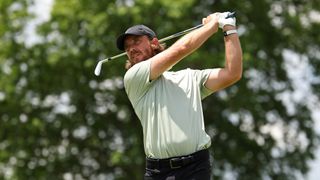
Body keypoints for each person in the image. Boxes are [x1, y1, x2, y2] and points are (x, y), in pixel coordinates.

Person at [116, 12, 242, 180]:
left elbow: (232, 73)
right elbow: (181, 49)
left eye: (137, 42)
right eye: (127, 47)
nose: (131, 49)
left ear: (154, 43)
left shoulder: (190, 77)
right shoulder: (133, 77)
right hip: (158, 172)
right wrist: (212, 25)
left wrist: (229, 28)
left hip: (196, 168)